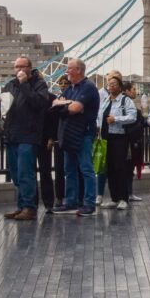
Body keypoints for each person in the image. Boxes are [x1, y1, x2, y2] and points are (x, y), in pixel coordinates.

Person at [2, 56, 49, 220]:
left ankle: (30, 207)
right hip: (12, 134)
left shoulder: (39, 84)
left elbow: (39, 104)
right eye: (16, 66)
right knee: (15, 174)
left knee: (26, 172)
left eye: (22, 66)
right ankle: (21, 206)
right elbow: (5, 108)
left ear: (30, 68)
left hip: (29, 135)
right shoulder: (9, 85)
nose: (19, 69)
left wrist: (24, 84)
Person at [51, 59, 100, 215]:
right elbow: (54, 103)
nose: (67, 72)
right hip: (69, 133)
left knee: (86, 169)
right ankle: (71, 201)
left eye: (69, 69)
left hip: (84, 133)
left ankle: (89, 203)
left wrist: (65, 105)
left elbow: (74, 108)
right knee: (69, 169)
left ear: (79, 70)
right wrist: (67, 104)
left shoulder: (89, 87)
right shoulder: (71, 88)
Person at [97, 75, 138, 210]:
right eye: (109, 84)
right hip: (105, 138)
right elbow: (99, 116)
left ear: (120, 87)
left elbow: (132, 117)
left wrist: (116, 119)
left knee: (120, 168)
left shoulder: (125, 100)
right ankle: (114, 198)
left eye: (114, 84)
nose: (111, 86)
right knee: (109, 169)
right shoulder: (106, 100)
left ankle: (123, 199)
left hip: (119, 138)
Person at [38, 76, 68, 213]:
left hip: (59, 138)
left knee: (69, 169)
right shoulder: (55, 99)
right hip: (52, 139)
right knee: (59, 169)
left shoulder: (51, 99)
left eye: (65, 83)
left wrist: (50, 137)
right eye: (60, 83)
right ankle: (59, 197)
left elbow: (52, 119)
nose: (62, 85)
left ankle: (57, 200)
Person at [120, 81, 146, 201]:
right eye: (134, 89)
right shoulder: (126, 105)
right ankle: (127, 194)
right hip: (128, 142)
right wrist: (141, 121)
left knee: (127, 168)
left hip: (127, 141)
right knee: (127, 168)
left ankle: (127, 193)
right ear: (127, 91)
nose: (136, 91)